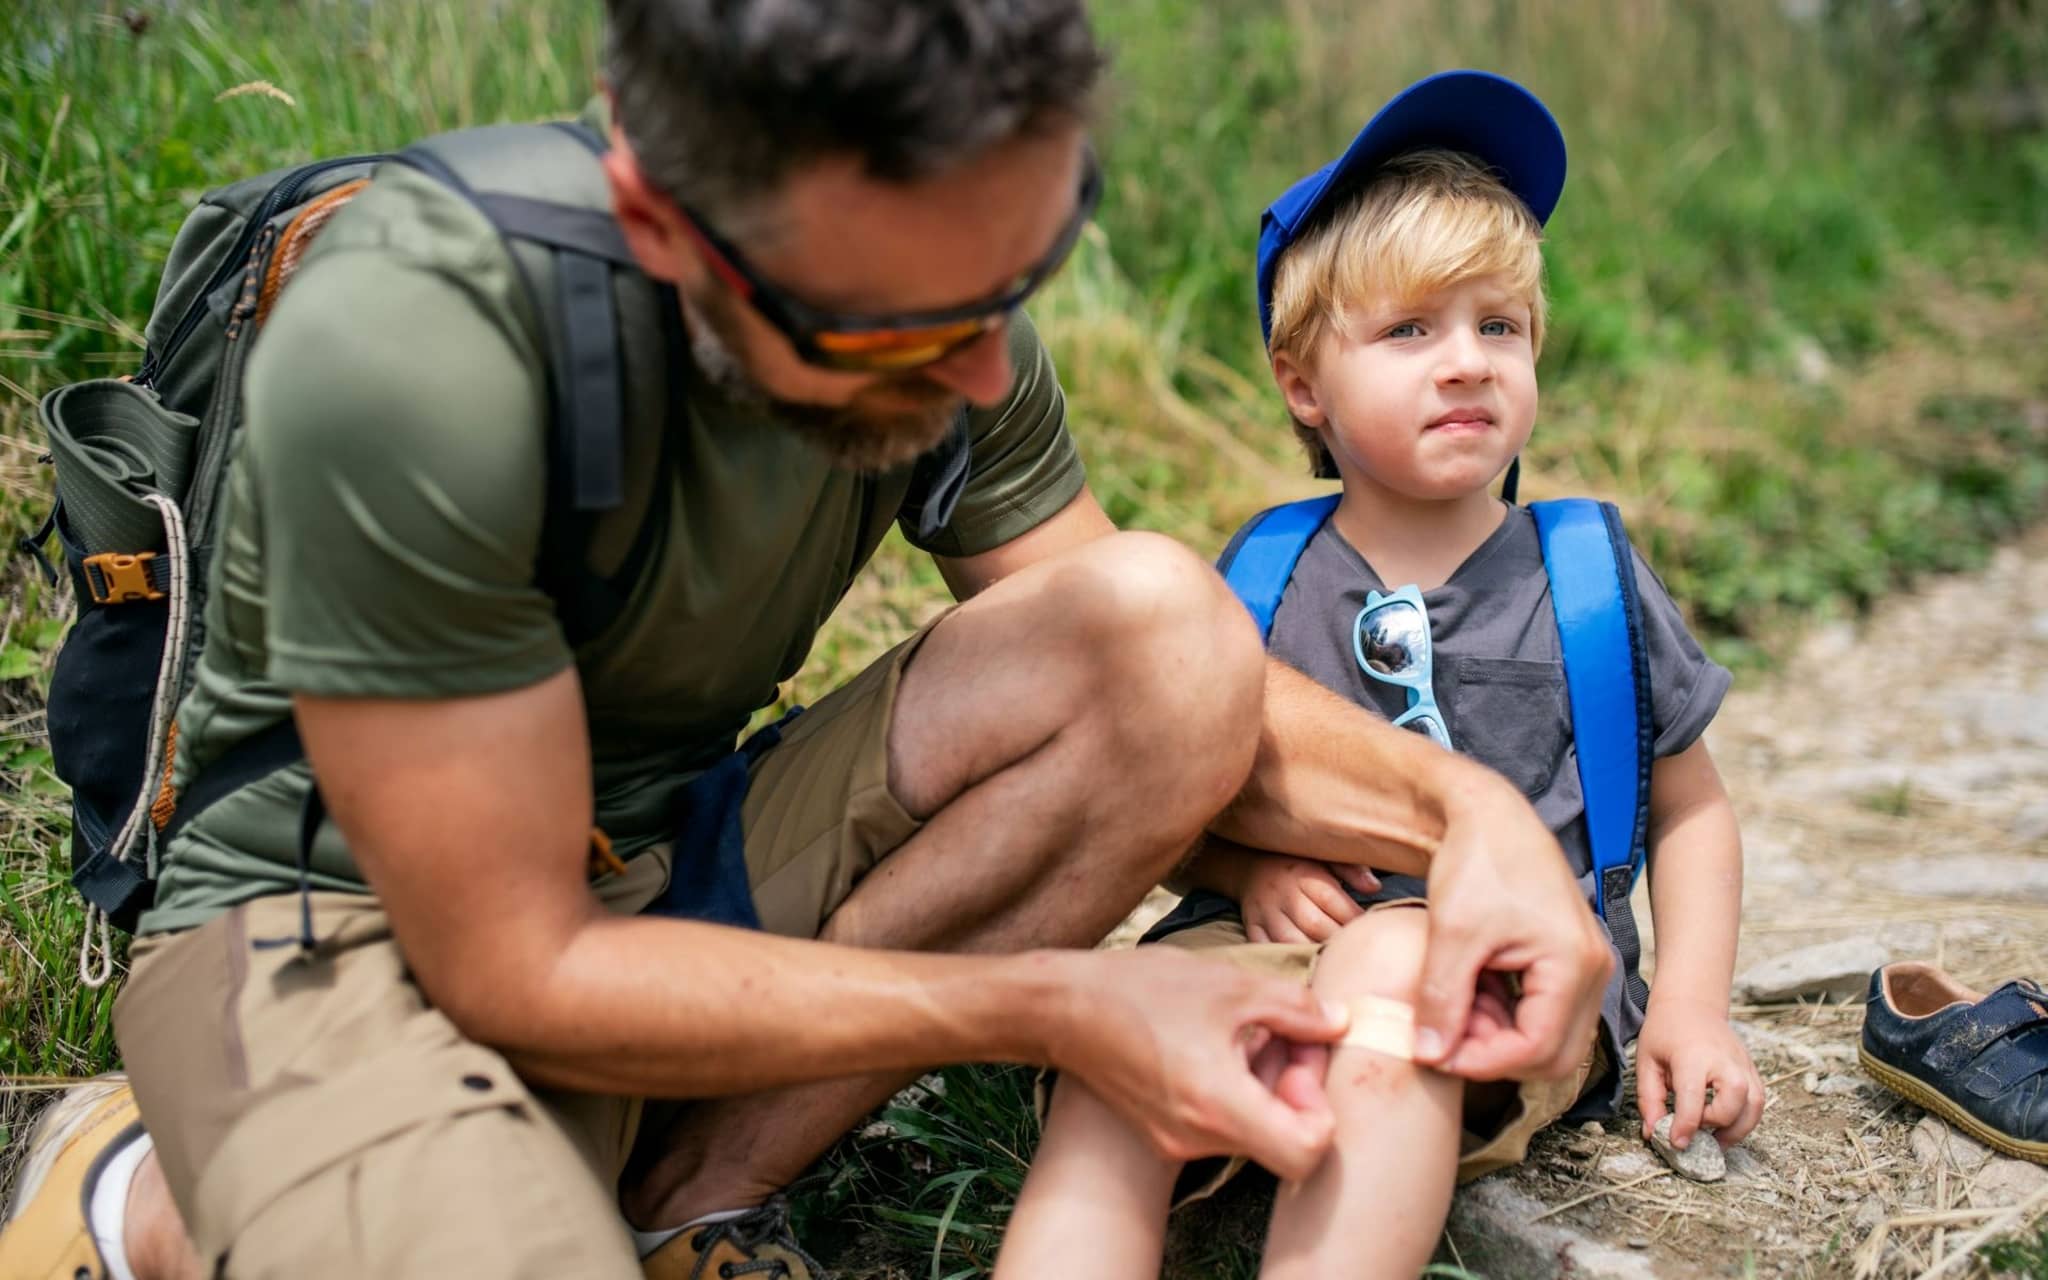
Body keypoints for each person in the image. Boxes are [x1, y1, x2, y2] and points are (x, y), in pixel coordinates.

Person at [0, 13, 1614, 1280]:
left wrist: (1468, 826)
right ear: (660, 213)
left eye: (1021, 277)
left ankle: (688, 1199)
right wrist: (1050, 1007)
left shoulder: (927, 277)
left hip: (650, 851)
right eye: (905, 331)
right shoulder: (416, 341)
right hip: (347, 925)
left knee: (1156, 628)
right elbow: (523, 968)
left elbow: (1165, 684)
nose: (987, 376)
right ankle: (136, 1196)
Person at [996, 70, 1761, 1280]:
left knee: (1389, 974)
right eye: (1410, 330)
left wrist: (1688, 1004)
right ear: (1303, 383)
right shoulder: (1255, 573)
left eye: (1496, 325)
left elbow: (1688, 806)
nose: (1465, 363)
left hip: (1492, 971)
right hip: (1248, 942)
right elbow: (1172, 797)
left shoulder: (1582, 573)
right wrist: (1245, 864)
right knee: (1121, 1052)